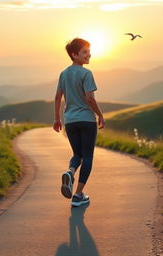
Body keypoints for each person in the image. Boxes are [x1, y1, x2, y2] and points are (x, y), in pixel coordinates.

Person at [53, 38, 105, 207]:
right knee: (88, 156)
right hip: (86, 120)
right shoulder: (86, 73)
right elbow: (89, 98)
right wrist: (100, 115)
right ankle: (78, 195)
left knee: (77, 155)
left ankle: (70, 172)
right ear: (74, 55)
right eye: (84, 52)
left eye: (88, 51)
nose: (88, 54)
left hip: (70, 121)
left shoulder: (64, 73)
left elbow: (57, 97)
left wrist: (57, 119)